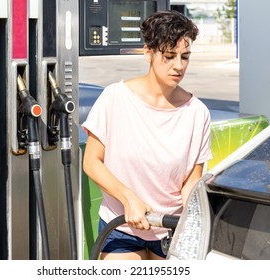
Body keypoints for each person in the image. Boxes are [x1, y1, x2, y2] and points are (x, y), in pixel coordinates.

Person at [82, 10, 212, 260]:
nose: (178, 66)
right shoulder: (114, 98)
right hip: (121, 227)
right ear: (148, 53)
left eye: (185, 57)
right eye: (169, 56)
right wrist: (127, 197)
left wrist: (195, 218)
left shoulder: (197, 113)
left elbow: (191, 180)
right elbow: (91, 162)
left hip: (172, 228)